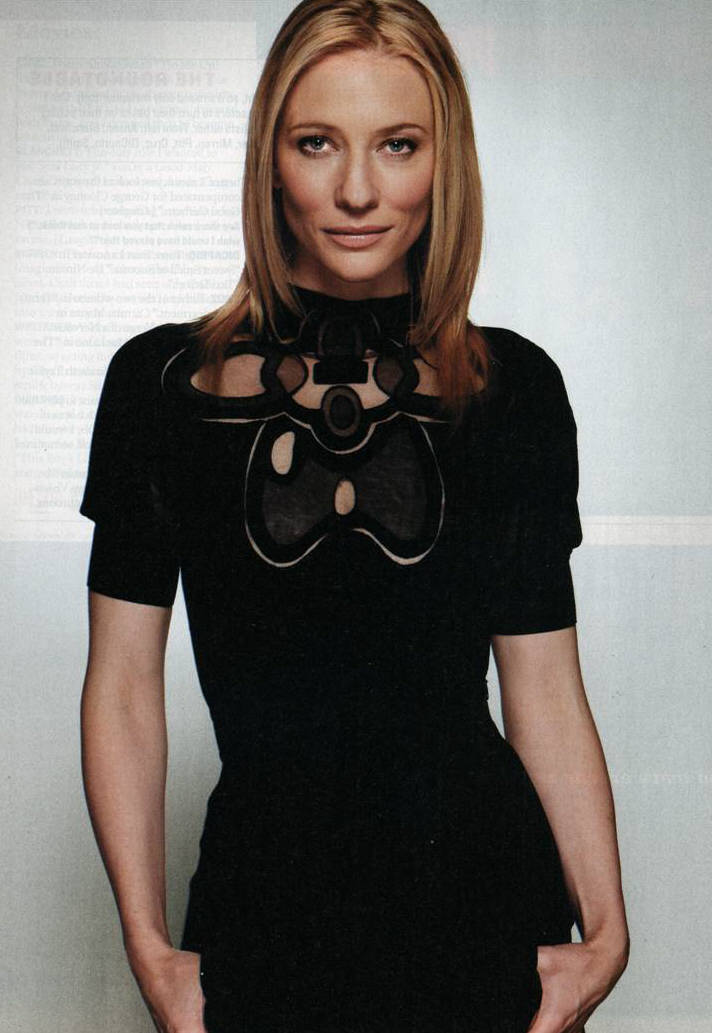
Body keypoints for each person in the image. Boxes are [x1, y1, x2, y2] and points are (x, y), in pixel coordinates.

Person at [78, 2, 630, 1032]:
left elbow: (545, 685)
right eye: (318, 143)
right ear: (270, 158)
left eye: (398, 144)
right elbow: (121, 685)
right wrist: (150, 949)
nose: (359, 190)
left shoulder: (511, 388)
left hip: (482, 919)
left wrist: (604, 934)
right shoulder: (162, 385)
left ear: (444, 161)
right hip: (261, 920)